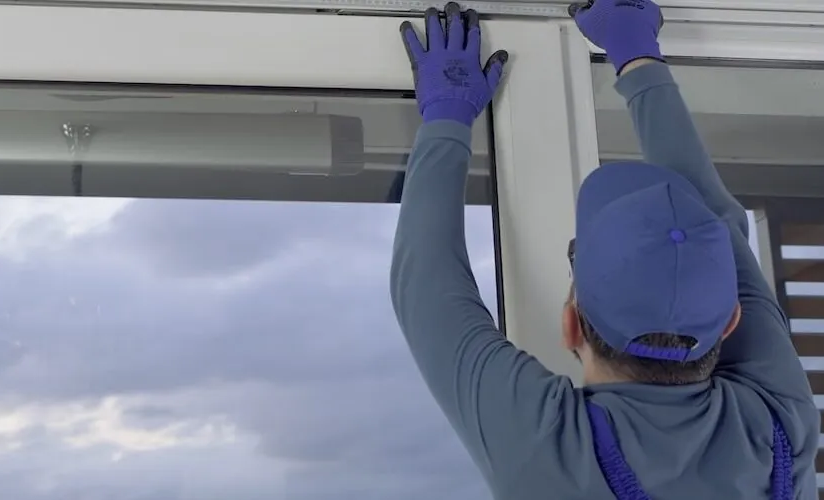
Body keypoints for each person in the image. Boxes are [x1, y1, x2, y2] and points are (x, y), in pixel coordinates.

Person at [390, 1, 820, 498]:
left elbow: (719, 224)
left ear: (571, 324)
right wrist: (445, 120)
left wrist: (637, 53)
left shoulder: (784, 418)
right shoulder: (778, 430)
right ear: (729, 321)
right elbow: (427, 290)